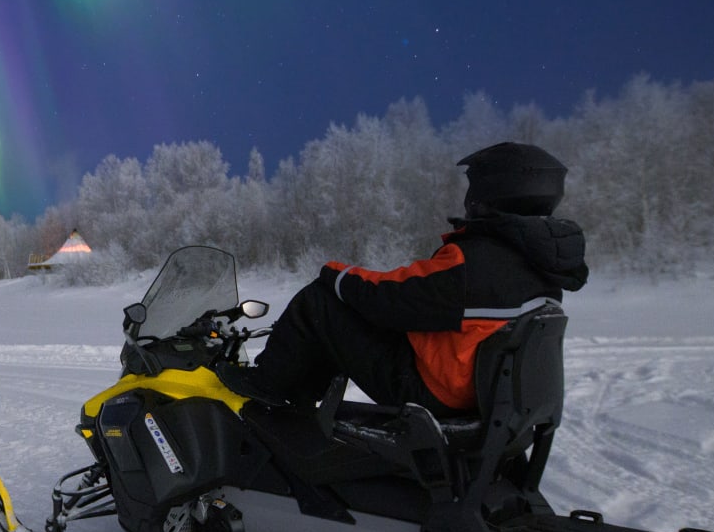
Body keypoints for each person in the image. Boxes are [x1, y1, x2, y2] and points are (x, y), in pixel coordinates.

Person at [220, 142, 587, 417]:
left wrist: (335, 274)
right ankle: (298, 401)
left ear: (491, 192)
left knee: (320, 301)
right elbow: (423, 305)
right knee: (354, 319)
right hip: (477, 391)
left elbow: (389, 298)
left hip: (435, 393)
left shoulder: (474, 260)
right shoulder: (541, 265)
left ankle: (267, 388)